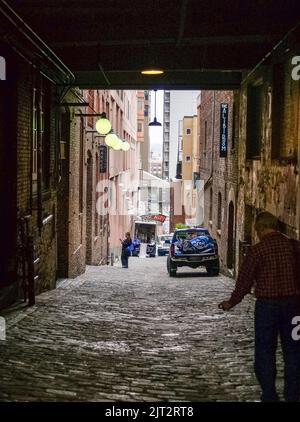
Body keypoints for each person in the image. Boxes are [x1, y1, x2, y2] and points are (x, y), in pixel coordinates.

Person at [219, 211, 300, 402]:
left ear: (261, 228)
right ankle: (293, 395)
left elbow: (244, 281)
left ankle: (269, 394)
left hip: (267, 308)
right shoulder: (294, 247)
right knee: (295, 351)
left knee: (265, 351)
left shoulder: (257, 251)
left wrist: (232, 302)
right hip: (295, 308)